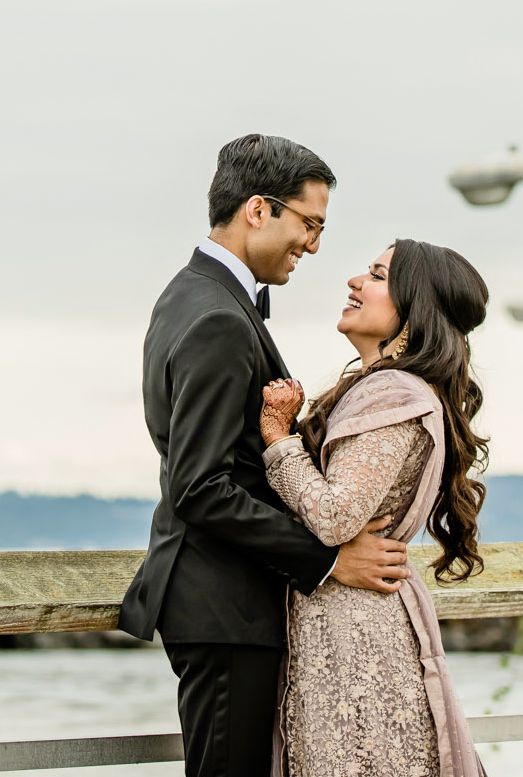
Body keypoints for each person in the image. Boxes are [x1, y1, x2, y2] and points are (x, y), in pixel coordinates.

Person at [121, 134, 415, 777]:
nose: (313, 245)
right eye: (309, 223)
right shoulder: (219, 318)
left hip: (224, 601)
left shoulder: (188, 295)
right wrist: (328, 558)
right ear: (259, 210)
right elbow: (199, 487)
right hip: (224, 604)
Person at [258, 239, 493, 777]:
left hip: (354, 635)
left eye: (378, 275)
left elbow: (337, 516)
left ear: (414, 306)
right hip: (351, 619)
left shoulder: (392, 393)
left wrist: (278, 440)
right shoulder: (390, 388)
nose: (355, 283)